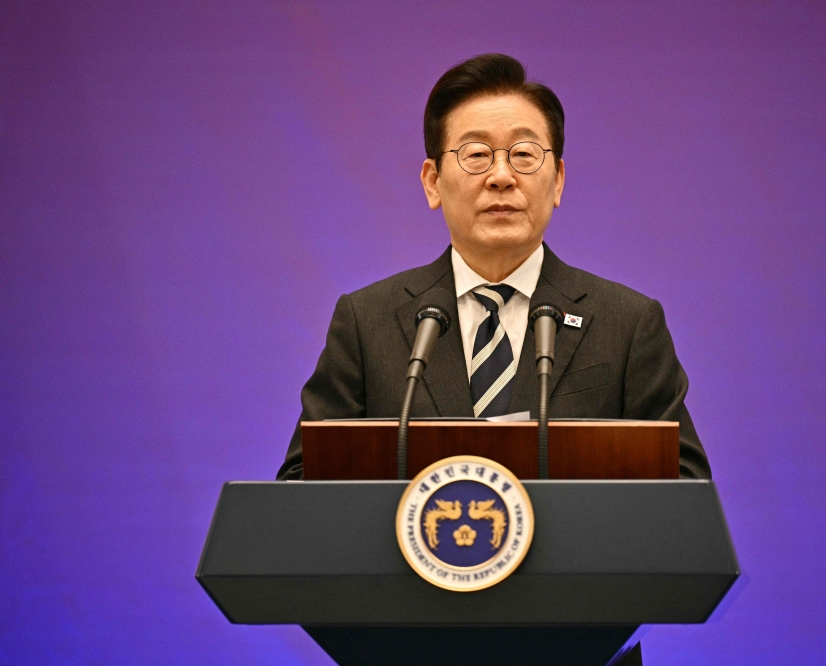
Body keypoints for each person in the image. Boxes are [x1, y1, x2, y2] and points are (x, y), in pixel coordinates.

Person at [276, 53, 710, 480]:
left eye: (523, 154)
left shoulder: (627, 324)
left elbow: (683, 488)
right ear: (433, 182)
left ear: (557, 180)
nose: (501, 176)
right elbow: (303, 484)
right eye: (476, 154)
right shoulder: (367, 323)